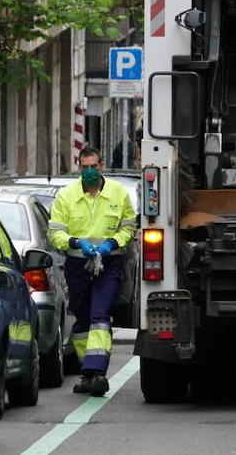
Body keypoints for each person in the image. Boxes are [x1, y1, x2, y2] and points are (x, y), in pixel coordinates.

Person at [47, 147, 137, 396]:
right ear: (78, 167)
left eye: (94, 167)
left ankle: (97, 372)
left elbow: (129, 226)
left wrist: (113, 243)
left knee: (100, 315)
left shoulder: (118, 194)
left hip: (109, 263)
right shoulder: (66, 196)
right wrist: (76, 243)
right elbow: (55, 233)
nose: (89, 172)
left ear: (102, 165)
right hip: (78, 265)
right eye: (84, 167)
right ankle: (87, 373)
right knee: (83, 319)